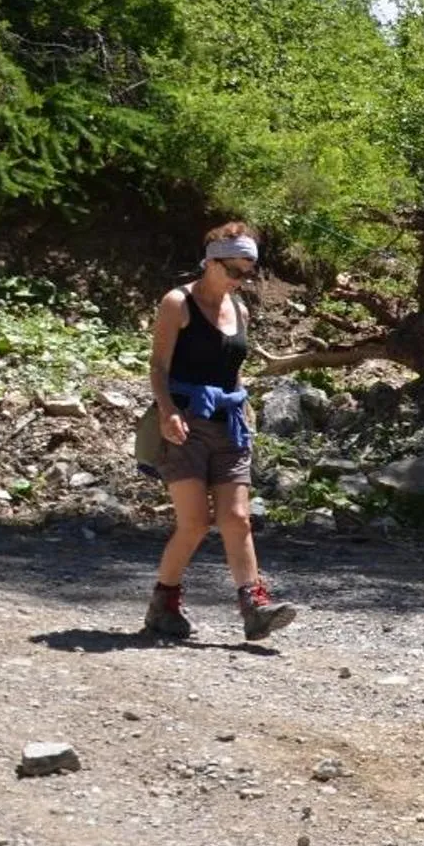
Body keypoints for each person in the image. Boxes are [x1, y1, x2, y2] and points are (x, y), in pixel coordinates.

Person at [144, 223, 297, 641]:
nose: (239, 279)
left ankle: (254, 605)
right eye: (233, 270)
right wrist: (166, 412)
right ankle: (164, 602)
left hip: (229, 423)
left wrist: (245, 410)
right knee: (194, 522)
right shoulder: (178, 303)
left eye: (247, 272)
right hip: (185, 422)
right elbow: (158, 366)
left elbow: (234, 368)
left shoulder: (240, 311)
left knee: (237, 517)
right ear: (210, 261)